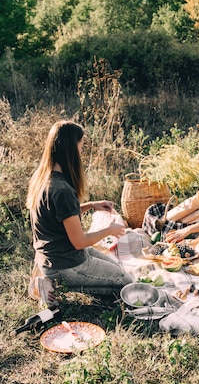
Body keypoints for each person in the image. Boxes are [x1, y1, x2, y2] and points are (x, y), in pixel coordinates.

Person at [27, 120, 133, 300]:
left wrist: (91, 205)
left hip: (55, 256)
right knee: (127, 284)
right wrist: (110, 230)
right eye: (81, 148)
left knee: (120, 270)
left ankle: (52, 280)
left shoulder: (43, 178)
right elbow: (80, 241)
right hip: (64, 263)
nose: (81, 153)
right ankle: (55, 287)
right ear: (70, 150)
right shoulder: (62, 190)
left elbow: (58, 216)